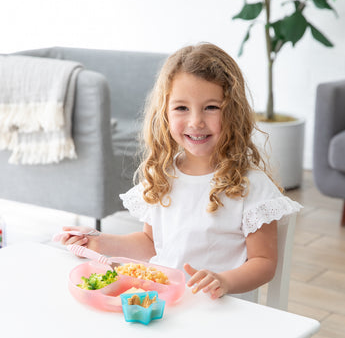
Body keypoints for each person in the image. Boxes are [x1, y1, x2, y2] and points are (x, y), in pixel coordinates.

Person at [61, 43, 302, 300]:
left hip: (221, 314)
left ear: (233, 112)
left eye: (211, 107)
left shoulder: (250, 185)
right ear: (164, 113)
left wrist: (224, 281)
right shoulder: (162, 175)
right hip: (166, 304)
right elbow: (150, 243)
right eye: (181, 108)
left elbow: (264, 262)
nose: (196, 121)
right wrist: (99, 242)